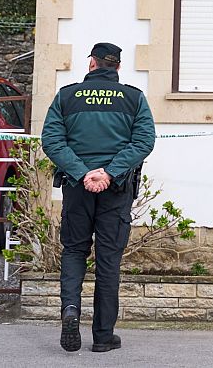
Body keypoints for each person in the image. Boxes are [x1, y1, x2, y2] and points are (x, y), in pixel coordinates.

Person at [40, 42, 155, 353]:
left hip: (77, 189)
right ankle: (103, 337)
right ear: (117, 67)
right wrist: (109, 173)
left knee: (75, 251)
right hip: (116, 191)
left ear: (92, 64)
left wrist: (81, 173)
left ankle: (70, 311)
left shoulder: (66, 96)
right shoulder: (133, 98)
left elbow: (51, 139)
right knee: (108, 261)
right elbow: (144, 141)